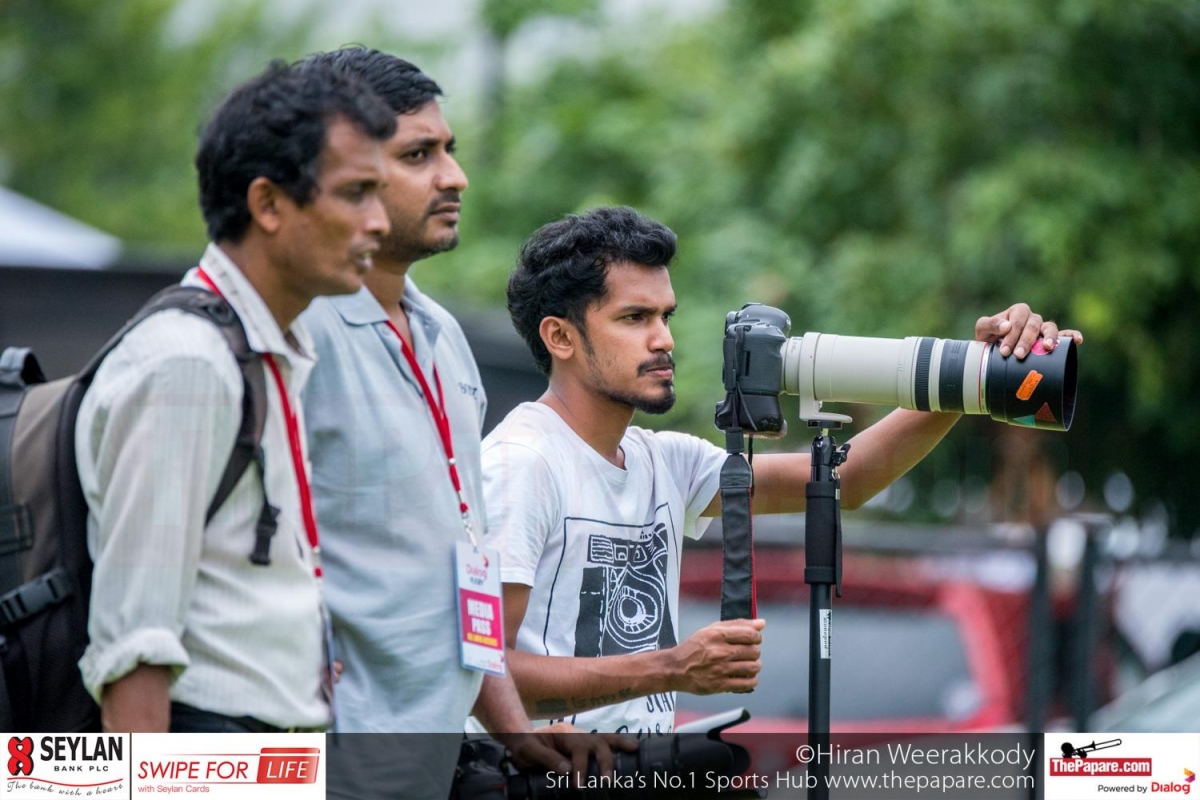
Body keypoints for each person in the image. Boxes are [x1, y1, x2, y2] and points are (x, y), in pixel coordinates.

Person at [482, 205, 1084, 735]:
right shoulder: (524, 464)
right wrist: (671, 667)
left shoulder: (659, 459)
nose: (664, 339)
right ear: (560, 337)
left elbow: (849, 479)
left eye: (666, 316)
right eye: (635, 318)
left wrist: (977, 372)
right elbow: (485, 669)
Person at [295, 48, 627, 797]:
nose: (455, 177)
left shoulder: (443, 340)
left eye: (449, 150)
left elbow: (463, 568)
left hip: (428, 762)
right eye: (419, 155)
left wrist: (515, 731)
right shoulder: (296, 334)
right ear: (340, 172)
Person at [75, 59, 396, 732]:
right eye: (356, 193)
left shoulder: (258, 345)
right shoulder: (187, 364)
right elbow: (134, 652)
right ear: (268, 204)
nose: (379, 221)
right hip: (207, 748)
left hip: (267, 751)